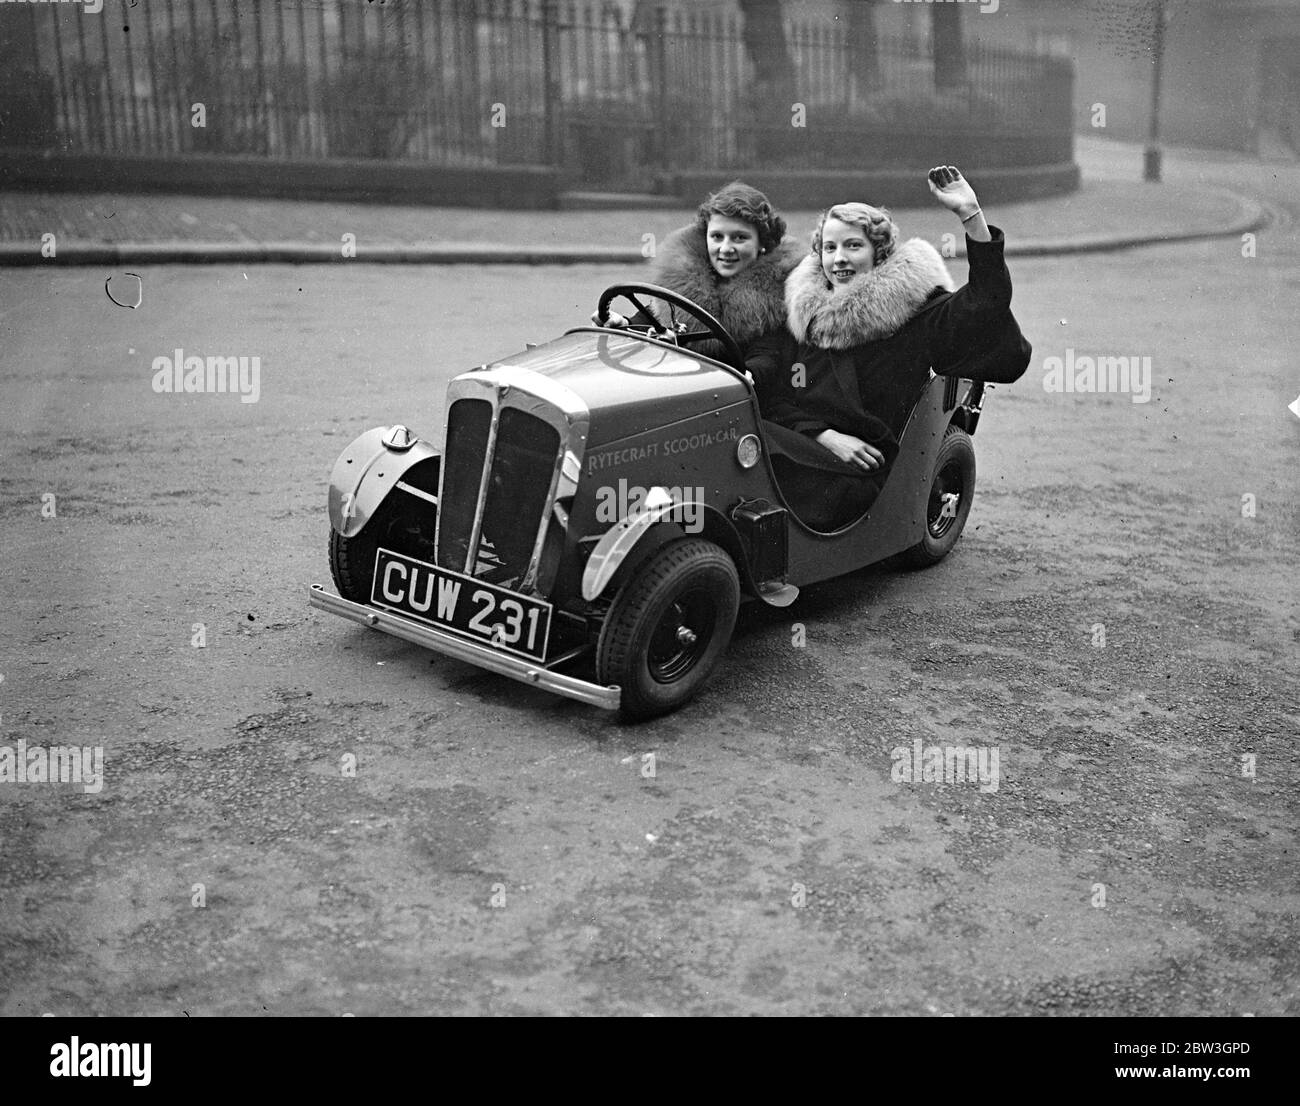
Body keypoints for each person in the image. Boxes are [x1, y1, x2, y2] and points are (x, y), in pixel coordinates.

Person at [748, 165, 1032, 531]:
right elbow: (772, 384)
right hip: (805, 442)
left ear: (878, 254)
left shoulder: (911, 313)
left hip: (858, 467)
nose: (839, 259)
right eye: (830, 248)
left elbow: (986, 302)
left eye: (853, 246)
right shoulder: (805, 312)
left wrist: (970, 216)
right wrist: (824, 435)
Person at [597, 181, 805, 360]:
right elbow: (648, 319)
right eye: (717, 237)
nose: (725, 248)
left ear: (762, 243)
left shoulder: (780, 295)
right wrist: (623, 323)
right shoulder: (684, 281)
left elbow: (766, 360)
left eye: (740, 238)